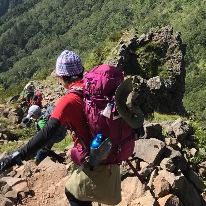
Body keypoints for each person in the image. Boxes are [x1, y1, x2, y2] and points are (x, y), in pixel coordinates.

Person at [0, 50, 122, 206]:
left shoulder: (68, 100)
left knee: (73, 193)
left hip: (97, 160)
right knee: (79, 190)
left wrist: (18, 155)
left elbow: (47, 132)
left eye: (58, 77)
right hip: (112, 152)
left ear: (63, 76)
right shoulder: (95, 89)